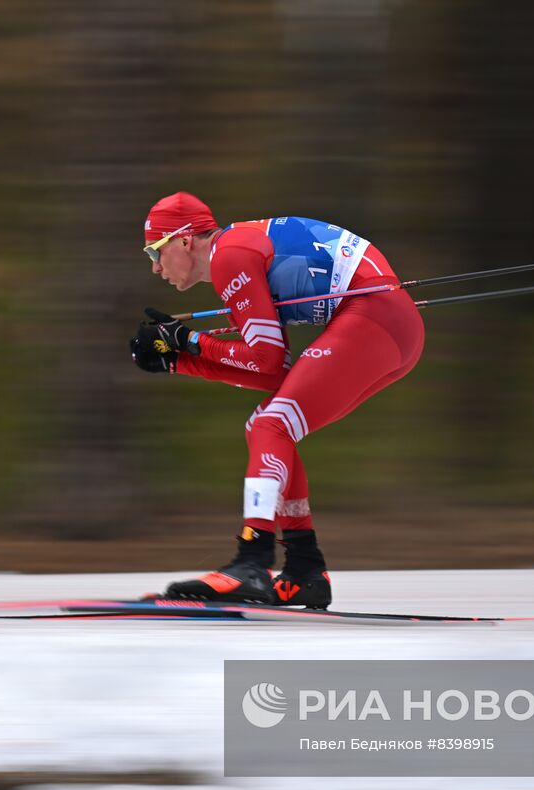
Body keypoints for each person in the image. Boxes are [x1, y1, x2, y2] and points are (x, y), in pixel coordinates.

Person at [131, 192, 424, 609]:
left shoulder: (229, 257)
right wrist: (182, 360)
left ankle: (252, 561)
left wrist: (192, 342)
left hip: (375, 316)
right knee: (269, 424)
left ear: (183, 241)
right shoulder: (234, 256)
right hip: (389, 324)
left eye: (154, 251)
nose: (155, 267)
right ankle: (304, 568)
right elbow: (271, 371)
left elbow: (265, 362)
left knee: (272, 425)